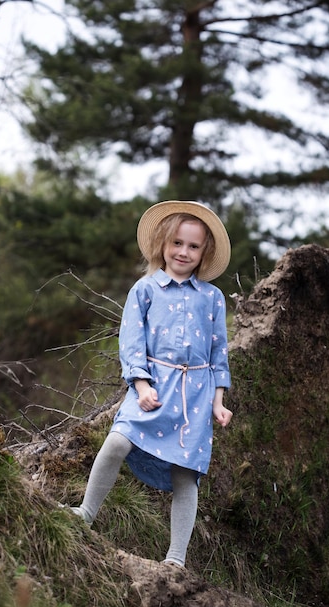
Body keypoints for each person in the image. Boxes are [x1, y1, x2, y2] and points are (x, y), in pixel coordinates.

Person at [70, 200, 233, 568]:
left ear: (204, 252)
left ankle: (175, 558)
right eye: (177, 242)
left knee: (185, 475)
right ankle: (86, 512)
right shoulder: (145, 289)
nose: (183, 252)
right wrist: (141, 386)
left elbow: (218, 352)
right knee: (116, 441)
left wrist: (218, 401)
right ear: (162, 243)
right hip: (154, 385)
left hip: (196, 393)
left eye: (193, 246)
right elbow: (131, 343)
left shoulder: (212, 297)